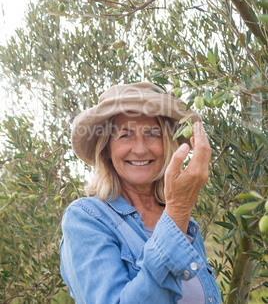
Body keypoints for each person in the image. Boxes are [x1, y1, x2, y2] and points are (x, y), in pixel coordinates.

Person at [60, 82, 221, 303]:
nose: (140, 149)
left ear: (167, 145)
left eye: (153, 134)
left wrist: (178, 213)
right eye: (125, 135)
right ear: (107, 148)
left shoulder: (185, 223)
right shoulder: (86, 218)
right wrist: (179, 211)